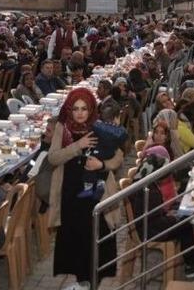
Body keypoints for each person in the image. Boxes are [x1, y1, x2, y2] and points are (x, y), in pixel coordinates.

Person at [48, 87, 122, 290]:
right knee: (76, 238)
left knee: (97, 235)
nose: (80, 113)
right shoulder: (62, 128)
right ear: (69, 110)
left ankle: (92, 282)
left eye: (84, 108)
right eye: (75, 109)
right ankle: (83, 282)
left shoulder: (100, 127)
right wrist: (77, 146)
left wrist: (102, 165)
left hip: (97, 191)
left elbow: (118, 157)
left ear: (90, 109)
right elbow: (53, 158)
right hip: (71, 191)